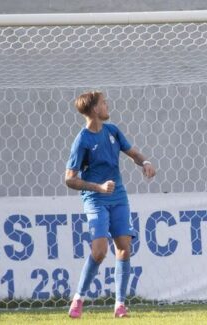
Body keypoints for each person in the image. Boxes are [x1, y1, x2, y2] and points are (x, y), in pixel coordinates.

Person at [65, 91, 156, 318]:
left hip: (118, 197)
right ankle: (78, 299)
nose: (107, 106)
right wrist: (98, 187)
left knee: (124, 247)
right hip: (95, 198)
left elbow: (132, 152)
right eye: (104, 103)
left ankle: (120, 305)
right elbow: (69, 179)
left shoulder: (112, 131)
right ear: (95, 109)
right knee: (100, 251)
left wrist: (144, 162)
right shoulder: (82, 140)